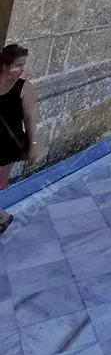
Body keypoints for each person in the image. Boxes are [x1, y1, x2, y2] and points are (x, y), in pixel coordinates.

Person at [0, 44, 38, 235]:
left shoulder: (25, 88)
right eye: (18, 64)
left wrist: (33, 146)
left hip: (7, 147)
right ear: (5, 65)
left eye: (23, 65)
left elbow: (30, 119)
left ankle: (3, 217)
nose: (21, 69)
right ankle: (2, 217)